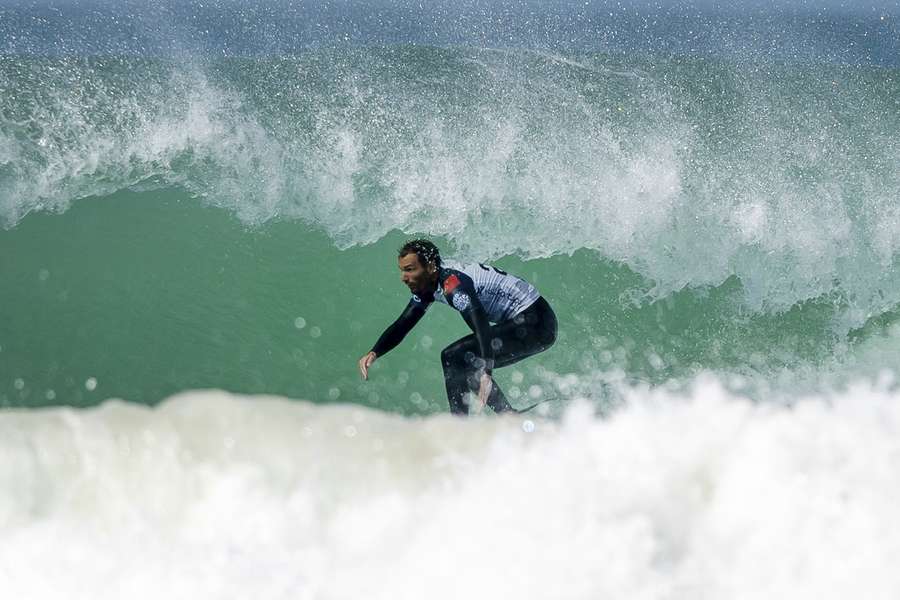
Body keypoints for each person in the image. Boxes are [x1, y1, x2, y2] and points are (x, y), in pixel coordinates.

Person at [357, 239, 557, 415]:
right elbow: (403, 323)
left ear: (431, 267)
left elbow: (482, 329)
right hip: (529, 319)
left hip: (537, 322)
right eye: (402, 270)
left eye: (410, 270)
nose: (404, 277)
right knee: (461, 359)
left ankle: (465, 424)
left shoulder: (453, 285)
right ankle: (500, 416)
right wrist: (375, 352)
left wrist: (486, 372)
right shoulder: (430, 282)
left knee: (456, 357)